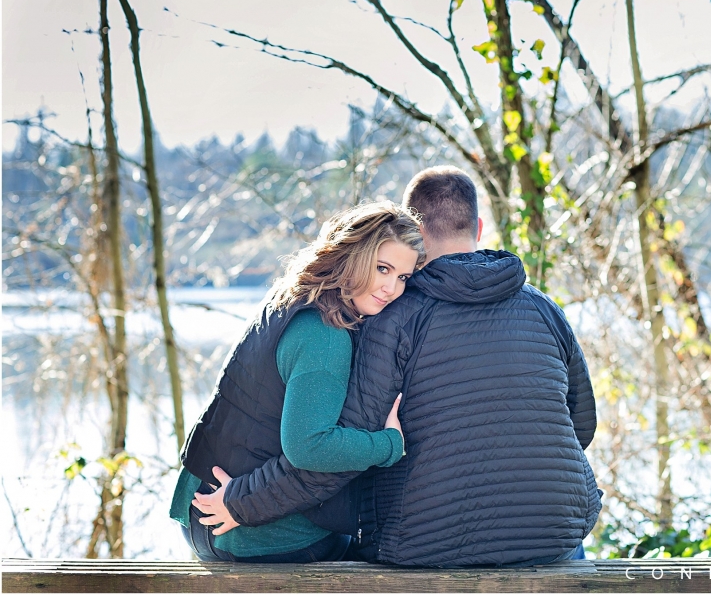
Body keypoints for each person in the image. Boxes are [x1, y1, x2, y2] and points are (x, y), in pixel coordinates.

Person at [206, 166, 601, 567]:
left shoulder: (393, 319)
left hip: (423, 545)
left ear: (414, 234)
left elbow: (335, 453)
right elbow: (580, 425)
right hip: (556, 532)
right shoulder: (544, 308)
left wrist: (243, 502)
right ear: (478, 226)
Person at [170, 201, 425, 563]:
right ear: (352, 256)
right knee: (380, 557)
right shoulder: (325, 336)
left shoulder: (289, 299)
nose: (390, 288)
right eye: (382, 268)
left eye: (402, 277)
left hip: (203, 509)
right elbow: (309, 446)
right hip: (243, 528)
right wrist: (389, 445)